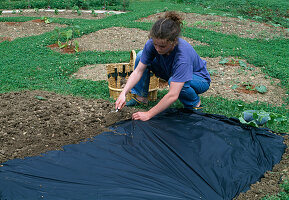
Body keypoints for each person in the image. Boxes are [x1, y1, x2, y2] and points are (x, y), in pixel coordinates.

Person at [115, 11, 211, 121]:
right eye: (155, 44)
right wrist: (123, 93)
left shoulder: (182, 56)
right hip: (171, 71)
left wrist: (149, 114)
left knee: (174, 82)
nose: (157, 48)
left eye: (162, 46)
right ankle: (141, 97)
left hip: (199, 79)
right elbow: (138, 71)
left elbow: (173, 95)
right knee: (141, 55)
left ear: (173, 42)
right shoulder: (152, 44)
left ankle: (194, 104)